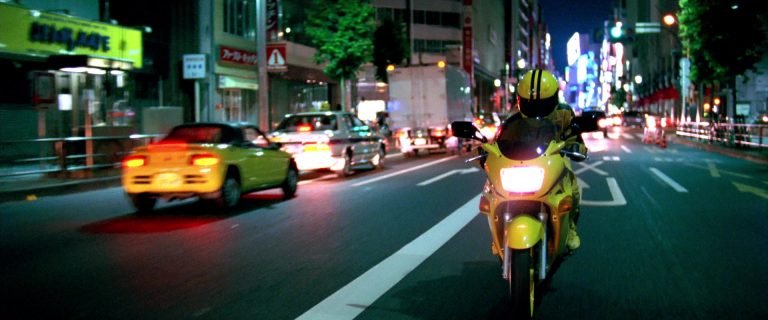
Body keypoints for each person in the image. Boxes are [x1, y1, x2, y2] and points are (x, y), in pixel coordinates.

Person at [507, 68, 587, 250]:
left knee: (572, 190)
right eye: (529, 104)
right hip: (521, 161)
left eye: (541, 104)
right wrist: (486, 151)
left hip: (554, 160)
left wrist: (576, 147)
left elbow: (574, 137)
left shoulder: (565, 113)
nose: (535, 110)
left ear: (553, 100)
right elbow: (501, 138)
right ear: (520, 100)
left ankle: (570, 228)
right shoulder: (514, 116)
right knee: (494, 192)